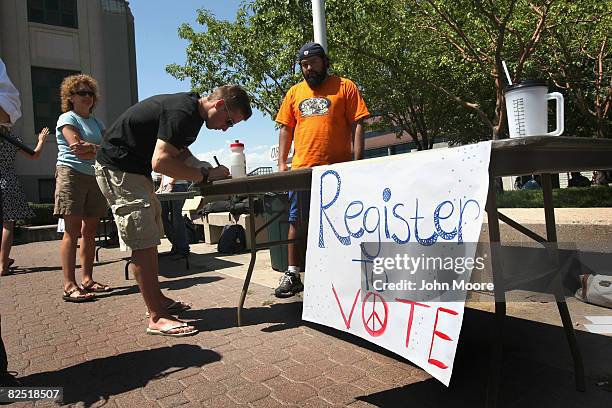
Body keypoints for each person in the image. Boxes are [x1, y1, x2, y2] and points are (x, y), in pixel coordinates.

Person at [94, 85, 252, 337]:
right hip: (120, 170)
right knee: (143, 242)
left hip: (132, 171)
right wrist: (204, 174)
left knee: (149, 239)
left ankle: (157, 300)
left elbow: (179, 150)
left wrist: (199, 165)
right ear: (220, 105)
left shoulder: (190, 112)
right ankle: (156, 317)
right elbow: (161, 162)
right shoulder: (183, 112)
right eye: (229, 121)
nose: (226, 128)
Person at [274, 42, 370, 298]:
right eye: (304, 65)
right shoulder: (294, 92)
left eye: (313, 63)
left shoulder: (345, 87)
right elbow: (286, 129)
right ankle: (293, 273)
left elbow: (359, 123)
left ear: (325, 61)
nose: (309, 68)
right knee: (297, 220)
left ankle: (342, 273)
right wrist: (283, 163)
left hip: (338, 171)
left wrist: (357, 161)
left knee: (341, 222)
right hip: (302, 170)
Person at [55, 74, 112, 302]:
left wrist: (93, 148)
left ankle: (87, 279)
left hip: (95, 176)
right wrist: (93, 149)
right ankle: (70, 285)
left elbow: (109, 151)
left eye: (90, 93)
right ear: (71, 97)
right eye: (81, 93)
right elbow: (77, 149)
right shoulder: (67, 118)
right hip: (71, 174)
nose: (87, 97)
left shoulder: (98, 123)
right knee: (72, 231)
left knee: (90, 231)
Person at [157, 174, 190, 257]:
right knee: (162, 216)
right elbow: (163, 172)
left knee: (176, 216)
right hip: (166, 186)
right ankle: (177, 245)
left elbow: (179, 169)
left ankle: (182, 248)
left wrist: (171, 183)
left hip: (178, 184)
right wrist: (161, 187)